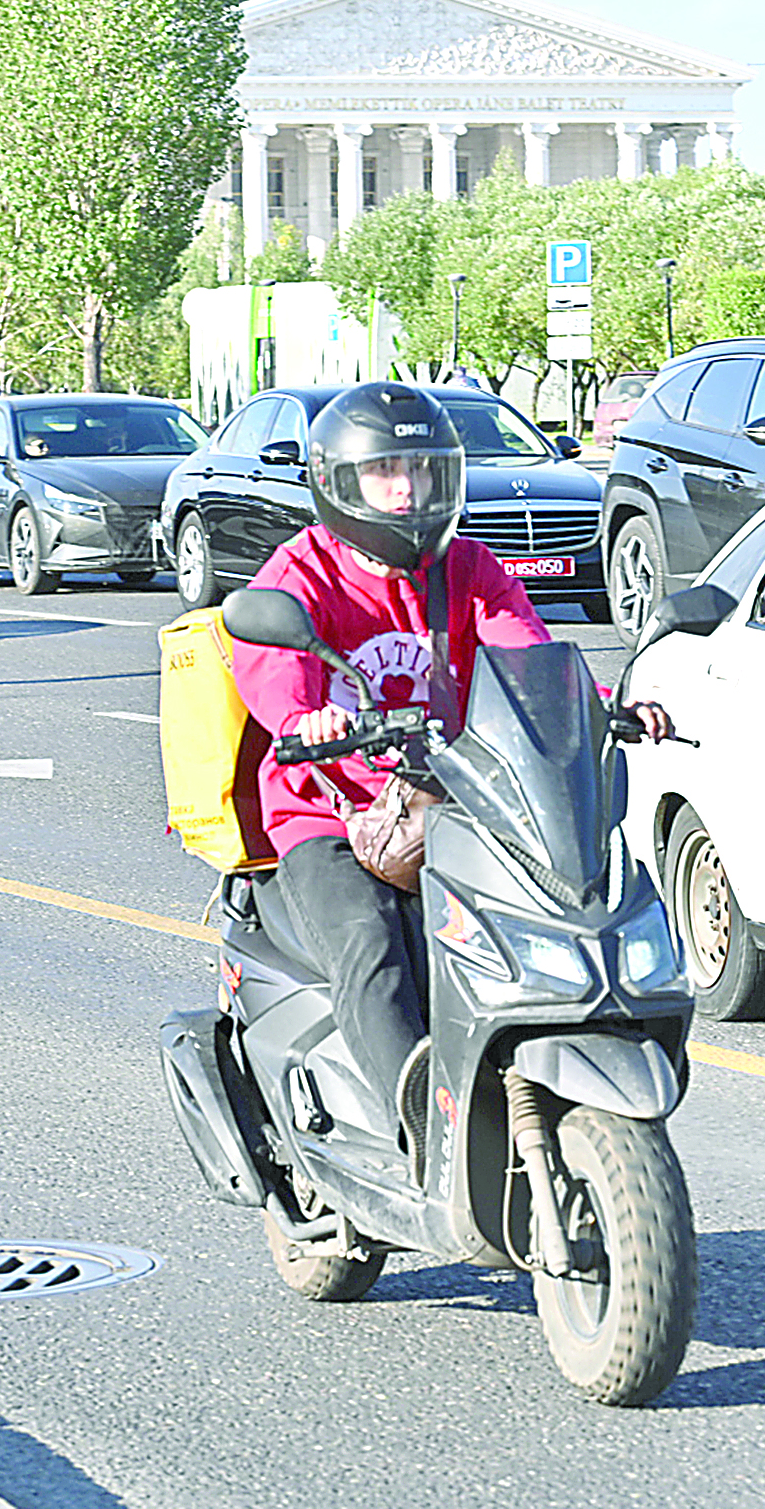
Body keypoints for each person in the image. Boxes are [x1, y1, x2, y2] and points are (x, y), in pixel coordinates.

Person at [229, 381, 666, 1154]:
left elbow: (526, 652)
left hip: (454, 797)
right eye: (385, 472)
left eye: (423, 471)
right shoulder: (305, 572)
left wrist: (599, 704)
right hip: (328, 811)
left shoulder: (468, 567)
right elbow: (271, 662)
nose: (406, 489)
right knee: (370, 943)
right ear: (339, 481)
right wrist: (306, 718)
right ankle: (421, 1126)